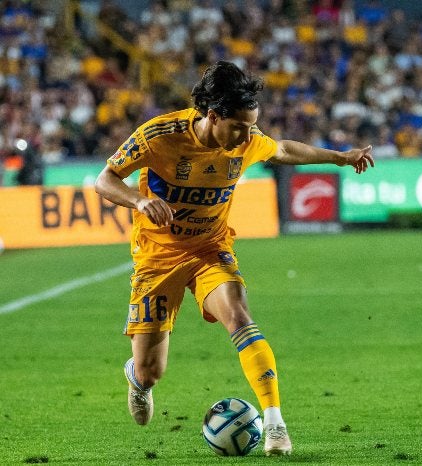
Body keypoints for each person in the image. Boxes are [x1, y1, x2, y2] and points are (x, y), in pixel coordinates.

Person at [94, 61, 374, 456]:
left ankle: (275, 424)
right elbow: (104, 180)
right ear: (213, 116)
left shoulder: (247, 139)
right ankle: (136, 379)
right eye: (240, 127)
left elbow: (284, 149)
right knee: (150, 371)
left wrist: (340, 158)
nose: (247, 136)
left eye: (251, 127)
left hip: (211, 248)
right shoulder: (160, 136)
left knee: (239, 315)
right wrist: (140, 200)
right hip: (158, 256)